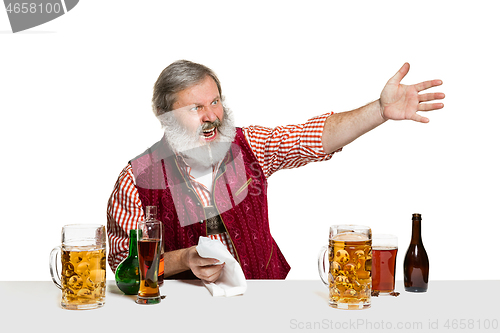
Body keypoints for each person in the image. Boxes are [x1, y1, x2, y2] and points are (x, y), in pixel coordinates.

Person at [107, 60, 444, 282]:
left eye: (215, 101)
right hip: (185, 316)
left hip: (265, 300)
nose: (213, 115)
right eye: (196, 107)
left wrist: (380, 111)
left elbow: (311, 137)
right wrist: (185, 259)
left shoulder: (248, 145)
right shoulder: (137, 180)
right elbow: (126, 269)